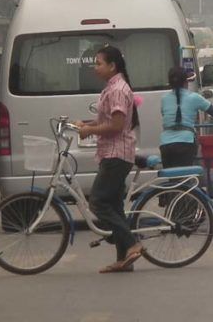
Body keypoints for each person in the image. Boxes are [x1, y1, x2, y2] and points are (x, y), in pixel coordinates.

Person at [76, 45, 144, 274]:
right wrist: (88, 126)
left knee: (98, 202)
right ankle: (124, 260)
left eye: (98, 63)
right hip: (113, 152)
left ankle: (132, 243)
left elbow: (116, 126)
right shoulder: (114, 87)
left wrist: (90, 131)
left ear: (112, 66)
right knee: (114, 206)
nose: (95, 68)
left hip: (117, 153)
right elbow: (110, 120)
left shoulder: (117, 90)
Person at [159, 65, 213, 168]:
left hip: (165, 144)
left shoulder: (164, 99)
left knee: (171, 178)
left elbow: (165, 116)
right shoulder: (194, 97)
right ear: (186, 82)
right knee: (186, 176)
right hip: (186, 142)